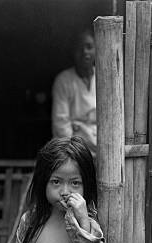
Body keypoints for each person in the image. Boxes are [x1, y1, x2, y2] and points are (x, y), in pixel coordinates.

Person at [51, 29, 96, 157]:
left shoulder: (104, 77)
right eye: (80, 48)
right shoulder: (64, 80)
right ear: (73, 52)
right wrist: (74, 155)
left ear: (97, 49)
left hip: (102, 148)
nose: (85, 52)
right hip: (74, 151)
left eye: (89, 47)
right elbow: (61, 124)